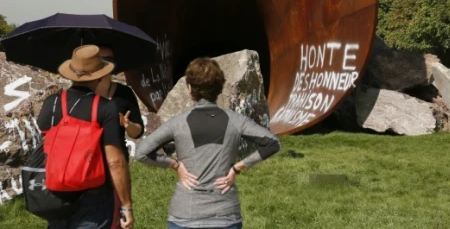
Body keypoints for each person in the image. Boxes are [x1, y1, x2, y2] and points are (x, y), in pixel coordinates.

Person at [135, 57, 281, 229]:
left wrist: (174, 165)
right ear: (219, 88)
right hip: (225, 215)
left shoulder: (178, 123)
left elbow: (141, 153)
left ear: (189, 88)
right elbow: (273, 143)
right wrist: (237, 168)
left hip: (185, 215)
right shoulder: (236, 121)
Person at [36, 45, 134, 229]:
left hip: (56, 192)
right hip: (94, 195)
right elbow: (115, 161)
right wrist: (126, 205)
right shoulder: (105, 107)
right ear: (99, 75)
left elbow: (43, 148)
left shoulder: (52, 102)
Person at [95, 45, 144, 229]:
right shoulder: (83, 94)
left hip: (116, 165)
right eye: (102, 58)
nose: (106, 62)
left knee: (116, 218)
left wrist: (127, 125)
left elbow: (138, 131)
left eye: (110, 58)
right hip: (87, 163)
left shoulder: (124, 93)